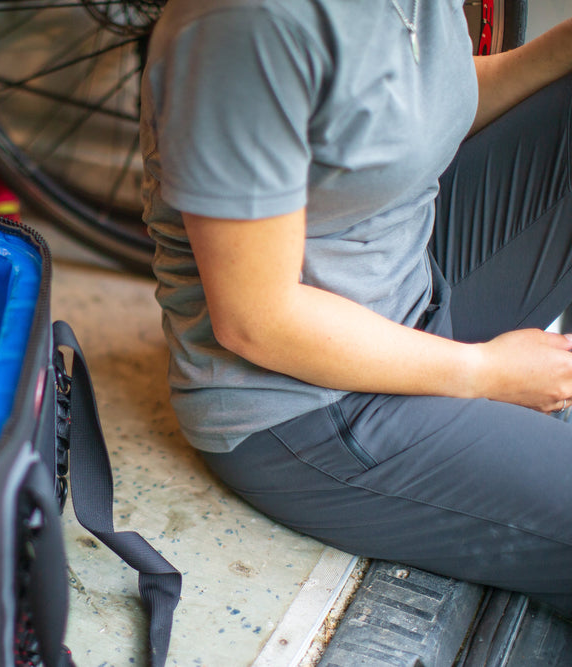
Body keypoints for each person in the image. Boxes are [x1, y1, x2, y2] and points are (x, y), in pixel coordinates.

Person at [140, 1, 572, 615]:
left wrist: (558, 49)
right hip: (310, 404)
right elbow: (258, 321)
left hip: (413, 284)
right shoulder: (245, 27)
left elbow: (414, 110)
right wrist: (488, 372)